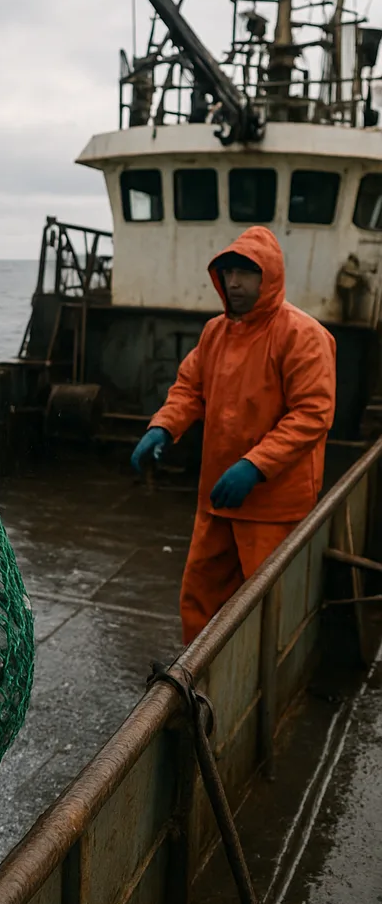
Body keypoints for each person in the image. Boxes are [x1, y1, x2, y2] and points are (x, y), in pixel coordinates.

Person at [131, 225, 337, 644]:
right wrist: (164, 426)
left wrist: (255, 466)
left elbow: (313, 412)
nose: (235, 283)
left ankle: (263, 680)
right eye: (228, 273)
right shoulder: (215, 332)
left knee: (268, 612)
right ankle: (199, 675)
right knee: (199, 599)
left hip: (272, 507)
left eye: (246, 273)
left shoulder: (303, 335)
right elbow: (190, 389)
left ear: (270, 276)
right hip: (218, 497)